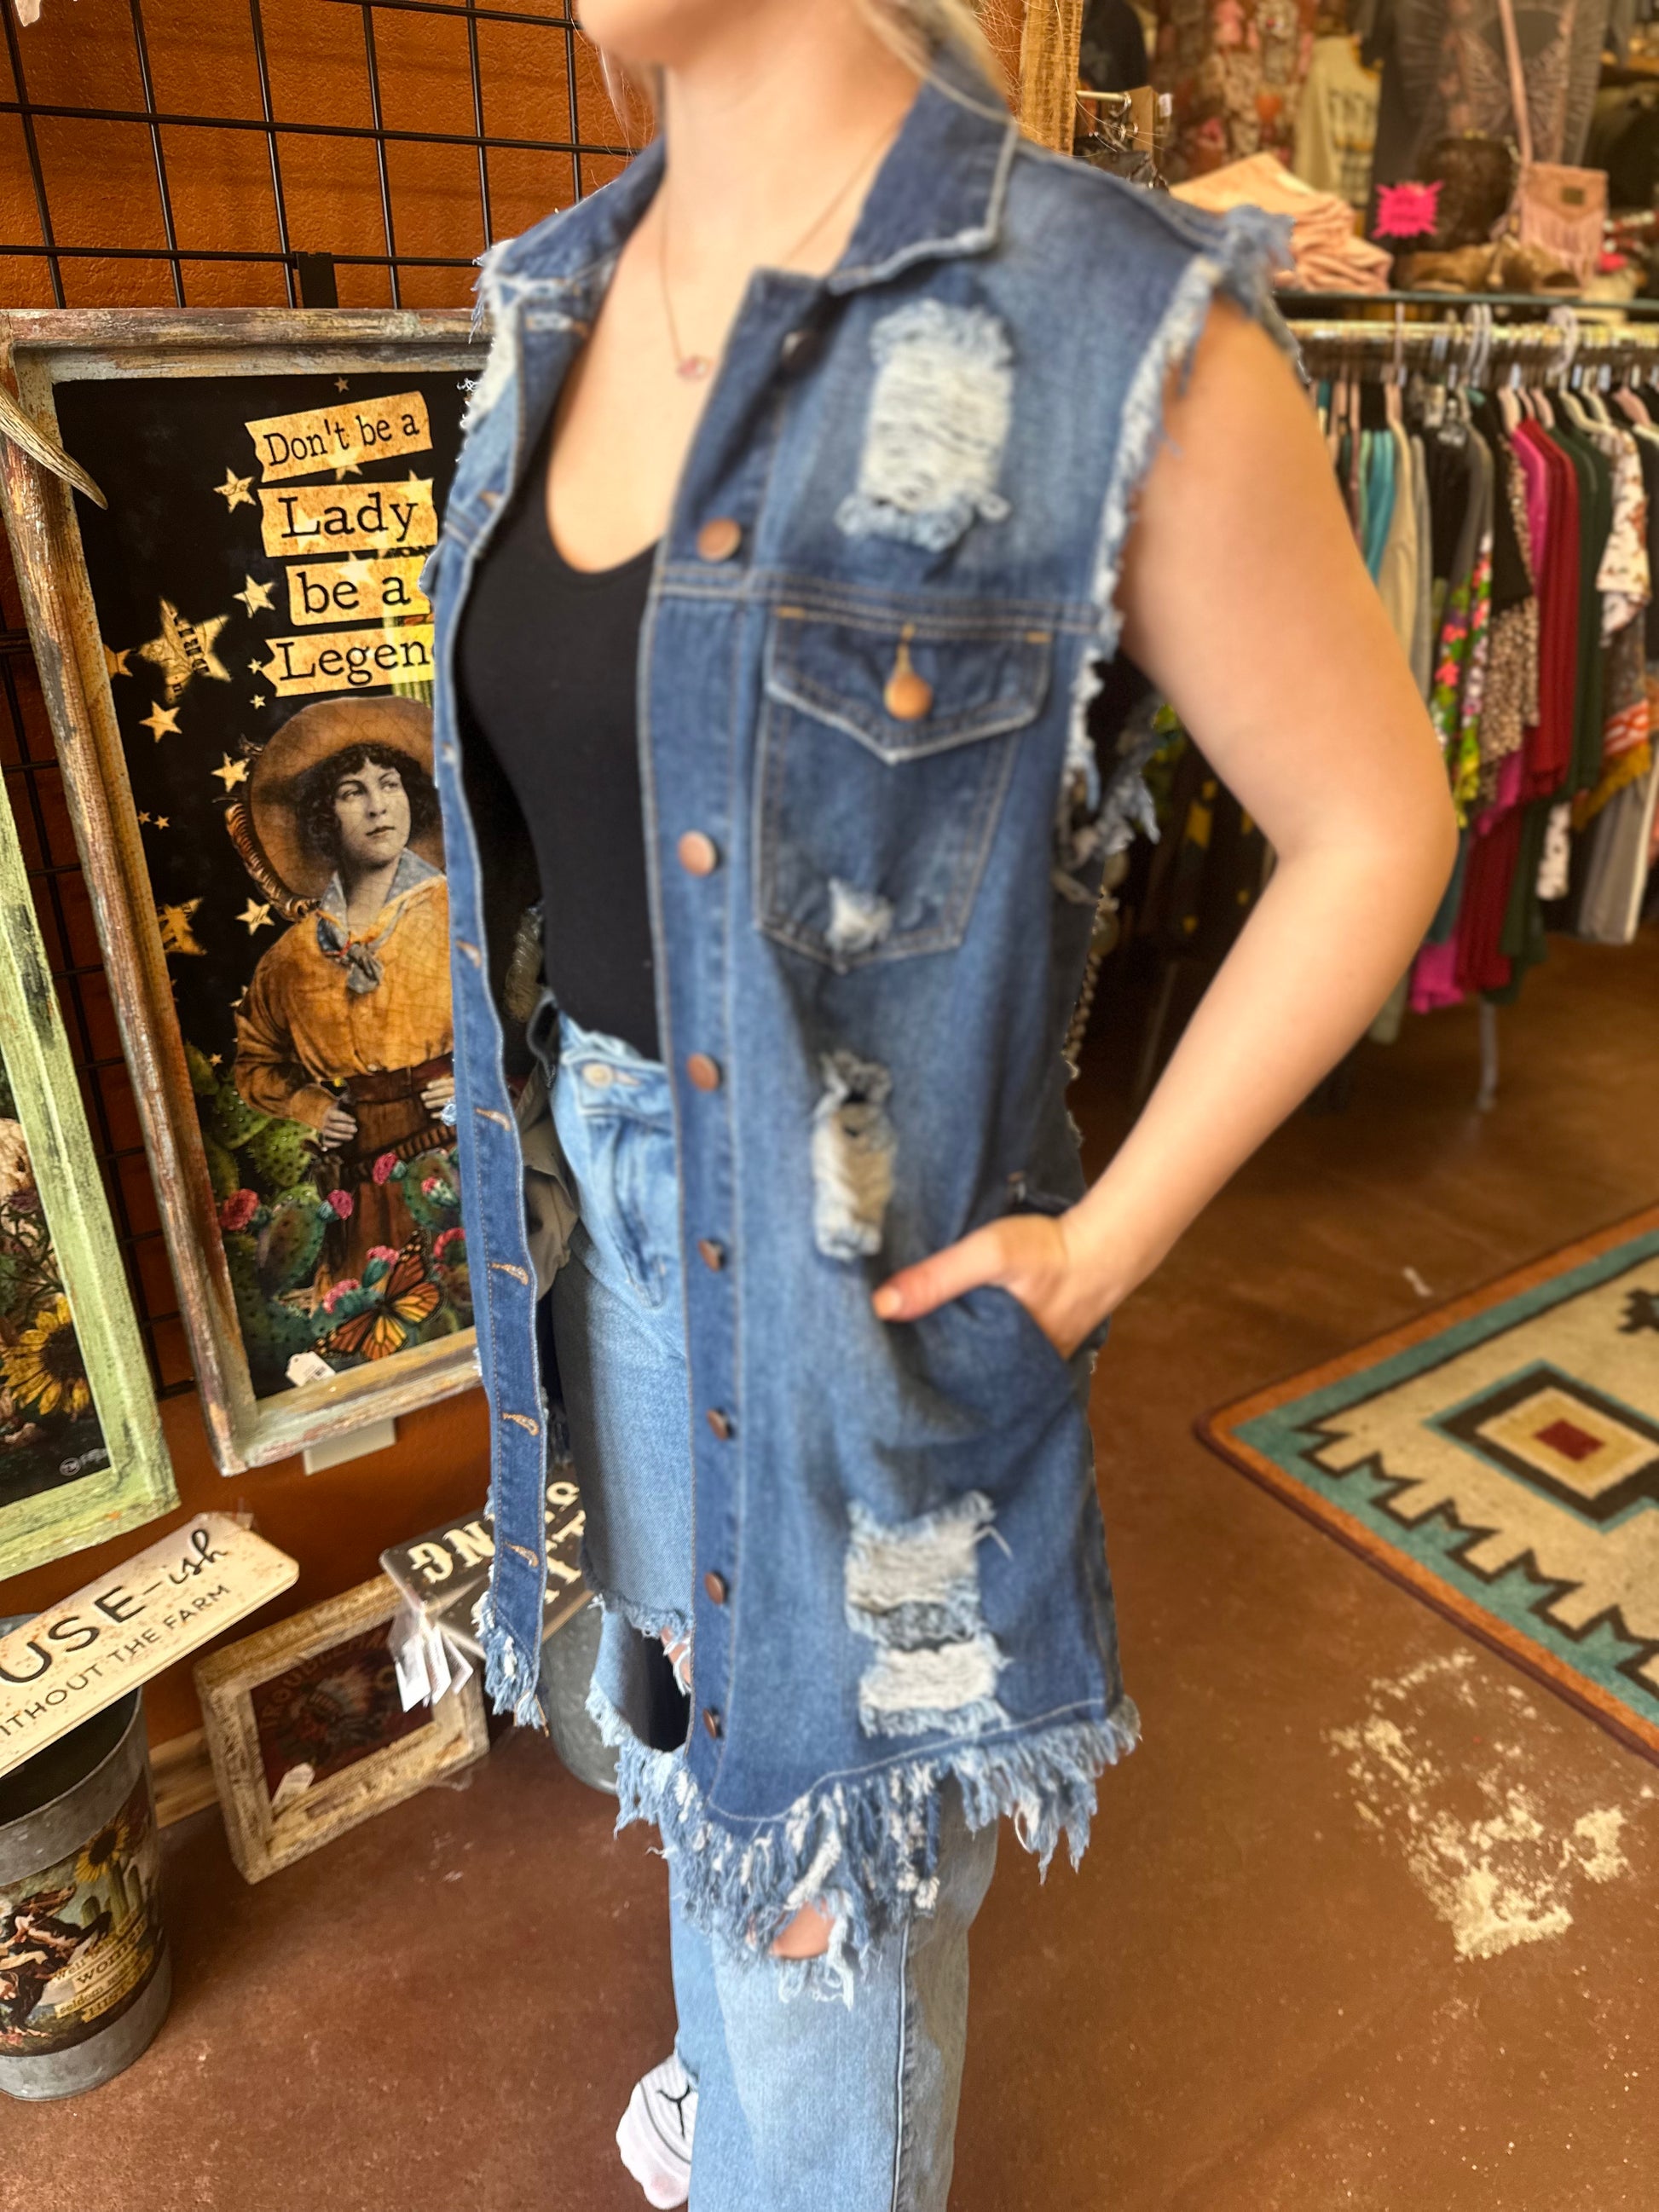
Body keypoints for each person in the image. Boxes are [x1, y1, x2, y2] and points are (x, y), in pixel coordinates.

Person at [428, 3, 1459, 2206]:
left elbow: (1374, 817)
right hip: (605, 1199)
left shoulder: (1089, 312)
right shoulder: (552, 301)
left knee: (840, 1876)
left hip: (851, 1264)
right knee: (697, 1740)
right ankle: (752, 2106)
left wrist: (1107, 1239)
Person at [231, 698, 456, 1281]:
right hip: (361, 1177)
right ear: (323, 815)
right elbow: (256, 1063)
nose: (378, 806)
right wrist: (313, 1106)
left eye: (390, 784)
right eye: (352, 792)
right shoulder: (292, 958)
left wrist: (478, 1084)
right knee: (375, 1303)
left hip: (461, 1149)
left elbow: (528, 1023)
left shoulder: (461, 914)